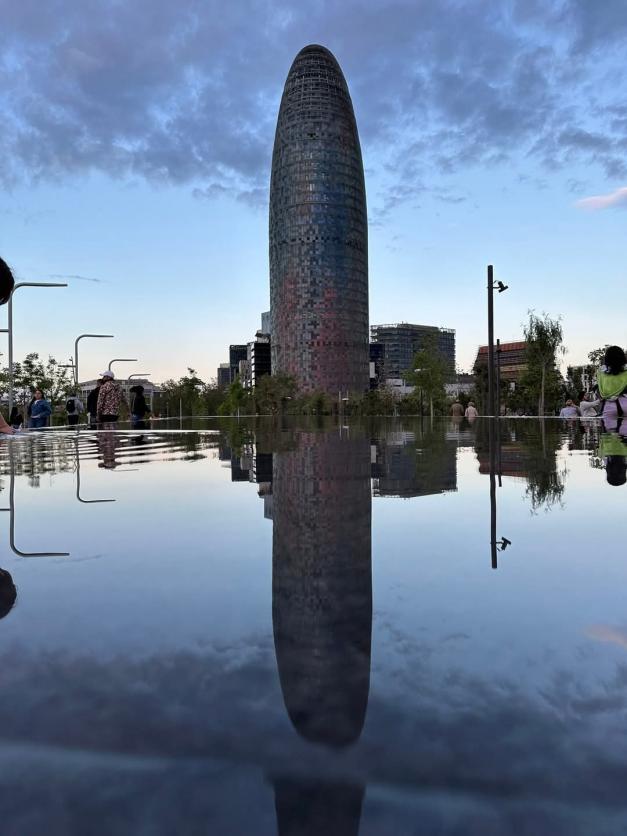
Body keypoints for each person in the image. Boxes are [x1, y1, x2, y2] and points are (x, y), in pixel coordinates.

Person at [596, 345, 627, 419]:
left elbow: (599, 391)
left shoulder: (601, 373)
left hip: (609, 407)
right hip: (625, 403)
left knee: (608, 426)